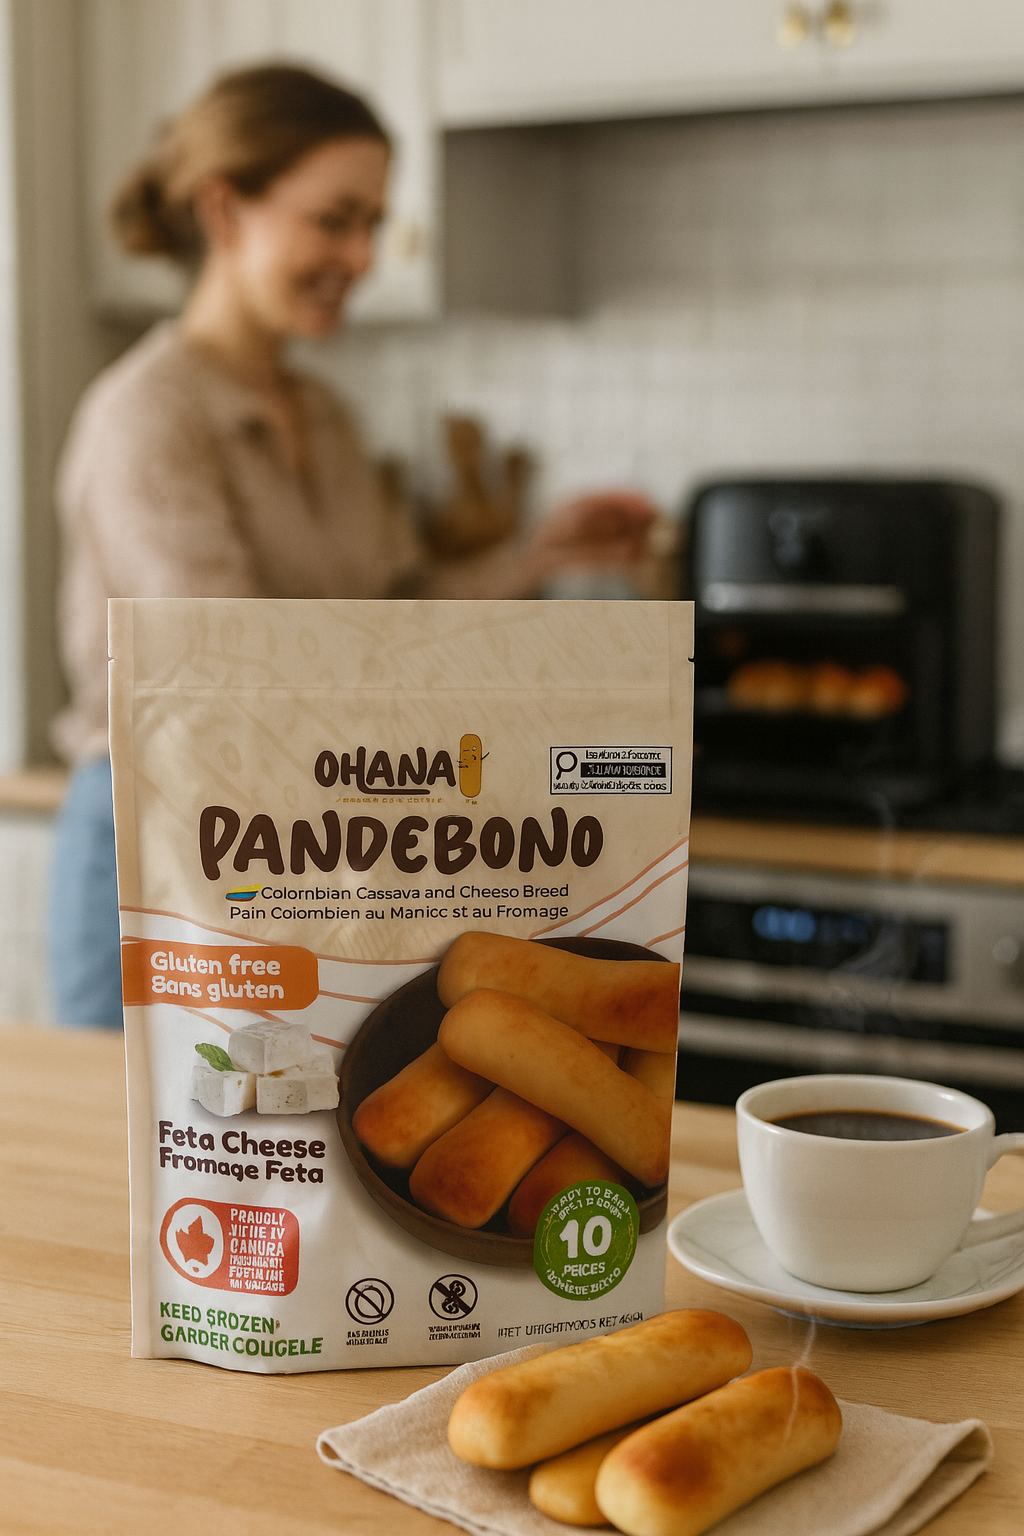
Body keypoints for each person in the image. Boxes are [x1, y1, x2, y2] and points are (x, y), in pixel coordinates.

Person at [49, 63, 656, 1028]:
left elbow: (392, 607)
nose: (365, 254)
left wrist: (541, 558)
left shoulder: (326, 414)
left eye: (373, 223)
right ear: (225, 210)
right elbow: (233, 672)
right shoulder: (146, 415)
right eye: (335, 220)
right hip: (158, 850)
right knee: (122, 1168)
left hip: (288, 848)